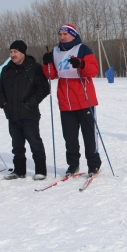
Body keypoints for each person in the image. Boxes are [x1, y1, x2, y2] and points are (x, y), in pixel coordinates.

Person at [42, 23, 101, 176]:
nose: (62, 37)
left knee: (89, 136)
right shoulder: (55, 51)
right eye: (60, 34)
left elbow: (94, 70)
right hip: (65, 102)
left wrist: (81, 64)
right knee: (70, 139)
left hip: (84, 99)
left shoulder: (82, 49)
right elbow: (51, 75)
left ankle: (94, 165)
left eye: (65, 34)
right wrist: (46, 62)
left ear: (73, 35)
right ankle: (73, 165)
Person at [0, 40, 50, 180]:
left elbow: (44, 89)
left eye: (15, 52)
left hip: (29, 114)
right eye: (11, 52)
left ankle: (41, 171)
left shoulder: (35, 68)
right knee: (17, 146)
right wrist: (4, 104)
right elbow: (0, 88)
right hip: (12, 115)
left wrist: (29, 103)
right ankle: (19, 171)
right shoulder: (6, 69)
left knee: (35, 143)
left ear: (23, 52)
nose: (12, 55)